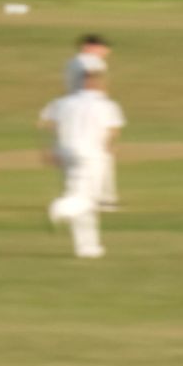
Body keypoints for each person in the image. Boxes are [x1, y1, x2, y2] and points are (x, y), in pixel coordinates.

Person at [39, 68, 125, 258]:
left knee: (80, 197)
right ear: (97, 84)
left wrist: (49, 150)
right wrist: (110, 148)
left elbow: (47, 124)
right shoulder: (106, 105)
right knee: (87, 199)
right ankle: (60, 208)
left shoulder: (63, 102)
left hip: (65, 153)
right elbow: (112, 131)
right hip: (91, 154)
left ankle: (88, 247)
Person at [63, 34, 120, 209]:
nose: (105, 52)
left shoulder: (72, 62)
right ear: (89, 47)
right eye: (102, 48)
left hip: (74, 110)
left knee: (77, 154)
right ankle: (104, 198)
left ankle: (79, 195)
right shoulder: (92, 62)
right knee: (101, 154)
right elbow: (93, 80)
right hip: (93, 111)